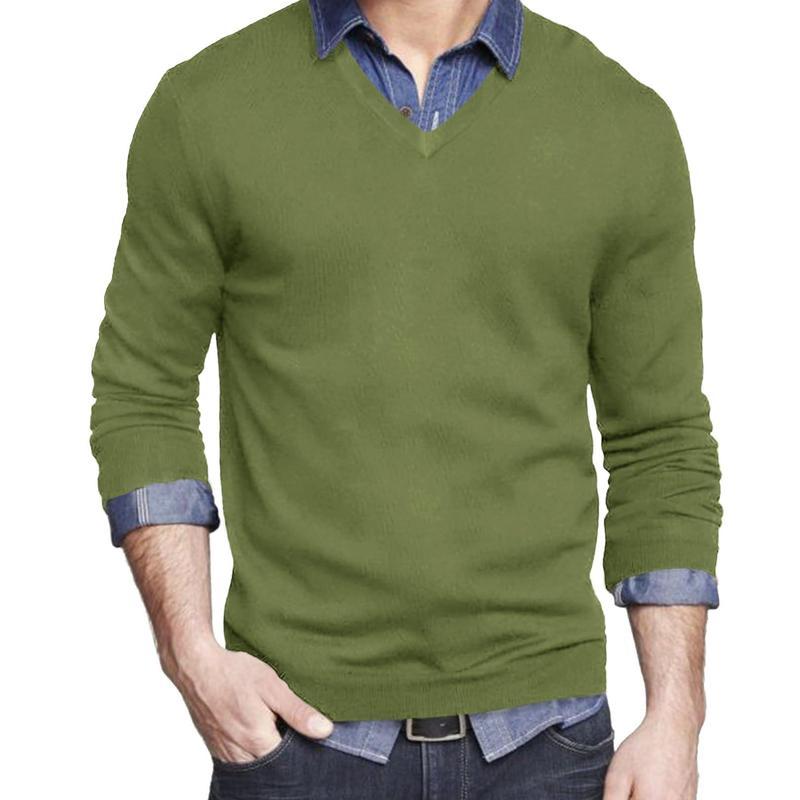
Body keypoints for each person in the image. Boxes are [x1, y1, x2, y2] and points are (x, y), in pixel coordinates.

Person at [89, 1, 723, 797]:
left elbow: (659, 440)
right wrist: (189, 655)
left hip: (549, 742)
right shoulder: (207, 108)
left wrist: (677, 714)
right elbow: (143, 391)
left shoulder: (620, 123)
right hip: (298, 739)